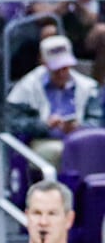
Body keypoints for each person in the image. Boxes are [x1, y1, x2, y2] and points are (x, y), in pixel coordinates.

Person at [6, 33, 102, 165]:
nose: (62, 73)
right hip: (44, 140)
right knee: (60, 151)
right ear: (44, 64)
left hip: (82, 138)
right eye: (57, 69)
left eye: (65, 68)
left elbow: (97, 120)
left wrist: (79, 127)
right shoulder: (26, 88)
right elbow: (14, 124)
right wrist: (45, 125)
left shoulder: (88, 87)